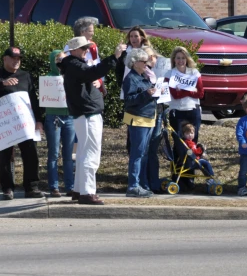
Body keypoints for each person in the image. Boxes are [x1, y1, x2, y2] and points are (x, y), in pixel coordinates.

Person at [59, 37, 118, 205]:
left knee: (84, 152)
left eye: (87, 47)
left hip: (85, 114)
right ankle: (87, 192)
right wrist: (114, 57)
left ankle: (79, 190)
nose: (86, 50)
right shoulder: (75, 65)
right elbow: (93, 72)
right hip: (87, 114)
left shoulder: (72, 65)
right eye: (83, 48)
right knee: (90, 153)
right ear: (74, 50)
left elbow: (90, 74)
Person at [0, 46, 44, 200]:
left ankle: (31, 187)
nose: (16, 61)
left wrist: (39, 120)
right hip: (6, 124)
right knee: (5, 155)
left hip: (25, 123)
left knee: (31, 154)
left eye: (18, 59)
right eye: (13, 58)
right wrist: (3, 83)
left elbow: (33, 98)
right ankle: (7, 189)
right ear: (5, 59)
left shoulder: (26, 76)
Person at [122, 47, 158, 198]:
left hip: (148, 118)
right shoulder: (131, 78)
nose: (146, 64)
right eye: (144, 61)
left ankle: (141, 184)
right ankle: (133, 186)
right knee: (137, 154)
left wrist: (156, 93)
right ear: (135, 62)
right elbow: (129, 100)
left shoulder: (144, 76)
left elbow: (147, 95)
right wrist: (146, 94)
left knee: (143, 154)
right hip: (138, 120)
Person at [45, 49, 75, 198]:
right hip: (53, 117)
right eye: (58, 60)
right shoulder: (49, 78)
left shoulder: (71, 75)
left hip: (70, 117)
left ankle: (70, 186)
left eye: (63, 60)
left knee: (68, 154)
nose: (60, 63)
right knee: (53, 153)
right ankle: (54, 187)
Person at [143, 46, 169, 192]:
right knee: (145, 149)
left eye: (152, 57)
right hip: (145, 115)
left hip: (158, 112)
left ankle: (154, 182)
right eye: (148, 58)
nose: (151, 60)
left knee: (153, 148)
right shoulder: (142, 74)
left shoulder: (157, 72)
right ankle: (144, 181)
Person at [166, 46, 203, 142]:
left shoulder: (194, 73)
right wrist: (191, 90)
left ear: (187, 59)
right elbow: (175, 95)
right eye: (178, 58)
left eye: (183, 58)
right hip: (177, 111)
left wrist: (182, 90)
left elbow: (200, 93)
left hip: (193, 110)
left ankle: (193, 157)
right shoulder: (169, 74)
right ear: (174, 59)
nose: (180, 61)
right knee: (178, 141)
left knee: (193, 140)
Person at [115, 26, 152, 92]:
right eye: (131, 36)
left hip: (144, 87)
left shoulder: (148, 51)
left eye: (136, 36)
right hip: (127, 86)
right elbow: (119, 69)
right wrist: (121, 84)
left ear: (142, 37)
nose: (133, 39)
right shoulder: (125, 52)